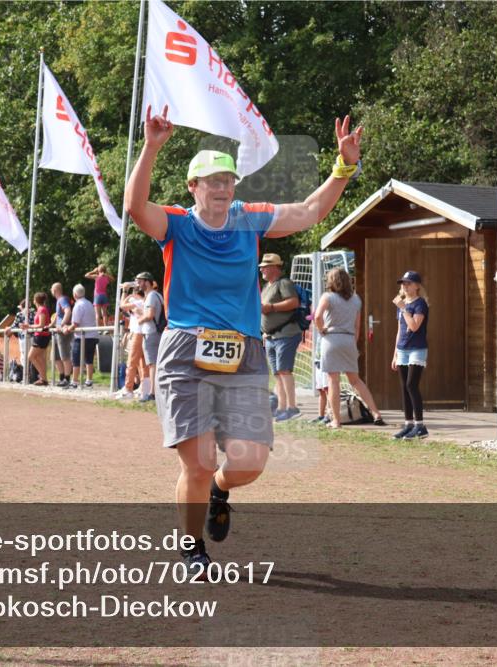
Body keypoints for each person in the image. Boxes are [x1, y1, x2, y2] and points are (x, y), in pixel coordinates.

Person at [125, 104, 362, 575]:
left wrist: (344, 166)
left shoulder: (250, 219)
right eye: (211, 181)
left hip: (245, 351)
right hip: (186, 350)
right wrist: (151, 146)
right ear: (192, 187)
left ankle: (219, 488)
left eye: (227, 180)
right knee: (196, 460)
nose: (221, 188)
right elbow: (135, 207)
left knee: (250, 462)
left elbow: (311, 210)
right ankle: (193, 549)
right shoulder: (178, 225)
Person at [314, 267, 384, 428]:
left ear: (331, 281)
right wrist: (352, 343)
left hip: (331, 339)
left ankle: (336, 420)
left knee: (333, 381)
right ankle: (376, 413)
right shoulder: (356, 299)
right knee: (355, 380)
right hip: (348, 340)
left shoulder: (328, 297)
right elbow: (357, 326)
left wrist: (321, 329)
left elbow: (317, 316)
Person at [259, 253, 303, 421]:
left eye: (266, 265)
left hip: (286, 334)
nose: (262, 268)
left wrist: (270, 307)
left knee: (284, 371)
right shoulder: (267, 287)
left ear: (275, 268)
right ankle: (281, 407)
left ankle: (291, 407)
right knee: (278, 373)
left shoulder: (284, 283)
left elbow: (293, 303)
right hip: (271, 336)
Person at [390, 271, 430, 438]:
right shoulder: (404, 304)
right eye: (403, 283)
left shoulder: (420, 304)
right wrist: (394, 354)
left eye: (408, 283)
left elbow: (414, 326)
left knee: (411, 385)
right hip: (402, 350)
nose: (405, 286)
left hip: (417, 349)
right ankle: (408, 424)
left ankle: (420, 426)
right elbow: (400, 330)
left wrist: (403, 308)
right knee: (404, 388)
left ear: (417, 286)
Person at [135, 271, 164, 403]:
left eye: (140, 281)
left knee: (152, 364)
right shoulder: (157, 295)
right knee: (155, 363)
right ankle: (156, 392)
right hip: (156, 332)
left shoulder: (151, 296)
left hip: (151, 334)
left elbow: (150, 315)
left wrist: (140, 320)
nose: (138, 284)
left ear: (147, 282)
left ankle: (152, 393)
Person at [63, 284, 98, 388]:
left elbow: (75, 323)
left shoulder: (78, 305)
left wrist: (67, 329)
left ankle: (74, 381)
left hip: (82, 337)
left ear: (75, 294)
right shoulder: (89, 303)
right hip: (92, 335)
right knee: (89, 358)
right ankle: (89, 379)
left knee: (76, 358)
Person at [116, 283, 146, 399]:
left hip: (137, 333)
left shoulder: (137, 300)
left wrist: (125, 291)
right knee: (140, 363)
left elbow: (122, 306)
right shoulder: (141, 301)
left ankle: (128, 388)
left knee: (131, 362)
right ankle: (143, 387)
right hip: (139, 333)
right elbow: (124, 308)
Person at [21, 292, 50, 386]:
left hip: (41, 336)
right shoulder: (41, 309)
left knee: (31, 356)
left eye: (33, 299)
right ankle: (43, 379)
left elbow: (41, 325)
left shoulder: (41, 309)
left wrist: (28, 326)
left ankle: (43, 378)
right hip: (41, 335)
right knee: (40, 358)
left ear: (36, 300)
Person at [51, 283, 74, 387]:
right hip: (57, 331)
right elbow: (58, 315)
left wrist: (62, 324)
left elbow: (68, 312)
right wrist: (52, 324)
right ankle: (62, 377)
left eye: (52, 289)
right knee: (55, 356)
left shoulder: (62, 299)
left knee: (64, 356)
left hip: (62, 332)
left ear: (54, 290)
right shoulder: (59, 301)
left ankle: (67, 378)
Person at [85, 264, 111, 328]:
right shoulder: (107, 277)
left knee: (97, 314)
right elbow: (113, 279)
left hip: (97, 296)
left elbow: (86, 275)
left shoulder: (96, 276)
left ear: (98, 270)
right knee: (104, 314)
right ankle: (106, 328)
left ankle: (98, 329)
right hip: (104, 295)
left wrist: (93, 271)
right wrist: (107, 273)